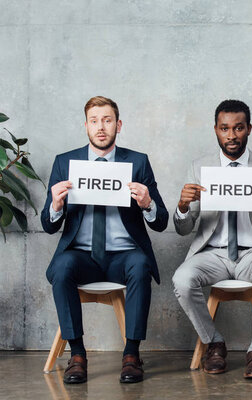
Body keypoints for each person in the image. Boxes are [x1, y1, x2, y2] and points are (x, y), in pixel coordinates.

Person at [41, 96, 169, 384]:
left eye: (108, 120)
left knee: (140, 262)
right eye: (95, 121)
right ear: (86, 126)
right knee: (62, 267)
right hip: (82, 256)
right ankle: (76, 354)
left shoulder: (137, 162)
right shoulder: (65, 163)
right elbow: (48, 226)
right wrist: (55, 207)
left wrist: (148, 203)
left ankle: (132, 354)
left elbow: (161, 221)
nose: (101, 127)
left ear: (118, 125)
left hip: (123, 256)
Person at [172, 99, 252, 379]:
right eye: (224, 128)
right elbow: (183, 229)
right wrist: (182, 206)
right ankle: (214, 342)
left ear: (249, 129)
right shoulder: (199, 167)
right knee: (181, 279)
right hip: (212, 254)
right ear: (215, 130)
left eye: (238, 128)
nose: (231, 135)